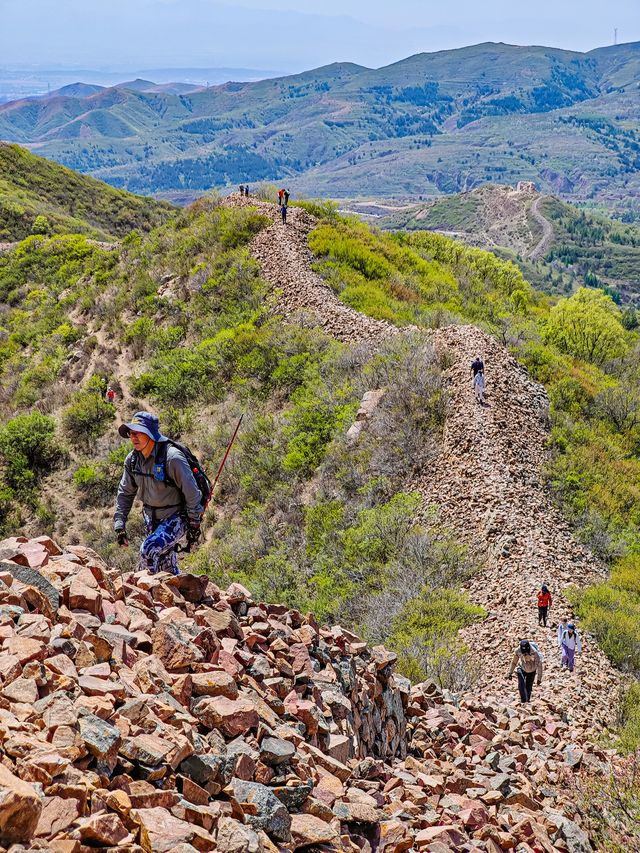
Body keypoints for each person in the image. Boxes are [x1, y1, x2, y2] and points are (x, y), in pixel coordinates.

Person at [114, 412, 202, 575]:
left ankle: (147, 593)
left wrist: (194, 523)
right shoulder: (132, 460)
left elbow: (192, 493)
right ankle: (179, 595)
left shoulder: (172, 458)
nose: (133, 437)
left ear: (150, 434)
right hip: (150, 518)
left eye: (137, 433)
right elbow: (125, 493)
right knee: (165, 564)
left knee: (148, 550)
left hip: (176, 517)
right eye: (130, 433)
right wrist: (120, 524)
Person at [507, 639, 543, 703]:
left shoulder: (534, 652)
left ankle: (527, 701)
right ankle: (523, 701)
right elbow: (514, 662)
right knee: (521, 683)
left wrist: (539, 678)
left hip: (532, 670)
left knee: (528, 687)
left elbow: (539, 665)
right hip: (522, 668)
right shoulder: (518, 650)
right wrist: (510, 673)